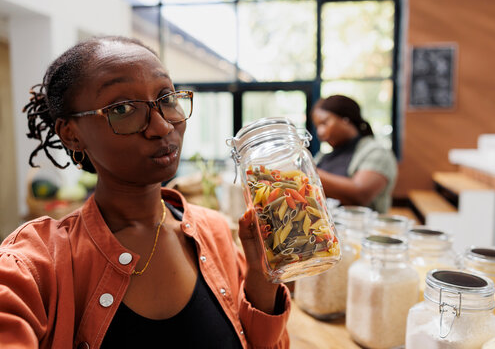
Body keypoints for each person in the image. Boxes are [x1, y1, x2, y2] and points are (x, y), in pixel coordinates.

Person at [0, 36, 290, 348]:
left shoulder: (216, 232)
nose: (162, 127)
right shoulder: (37, 263)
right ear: (71, 135)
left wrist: (263, 274)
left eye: (166, 98)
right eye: (123, 108)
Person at [311, 95, 397, 213]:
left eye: (324, 123)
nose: (319, 132)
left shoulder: (376, 152)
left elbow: (360, 194)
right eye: (317, 126)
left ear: (346, 120)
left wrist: (308, 173)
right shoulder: (323, 156)